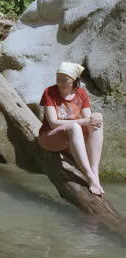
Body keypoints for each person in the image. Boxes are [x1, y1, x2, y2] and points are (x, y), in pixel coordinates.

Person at [38, 62, 105, 196]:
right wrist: (82, 121)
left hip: (72, 138)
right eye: (58, 79)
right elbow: (53, 123)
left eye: (64, 80)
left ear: (74, 80)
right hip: (50, 138)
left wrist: (97, 116)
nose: (60, 83)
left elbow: (88, 119)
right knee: (74, 126)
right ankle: (89, 176)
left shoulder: (81, 93)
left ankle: (94, 172)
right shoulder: (49, 92)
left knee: (97, 124)